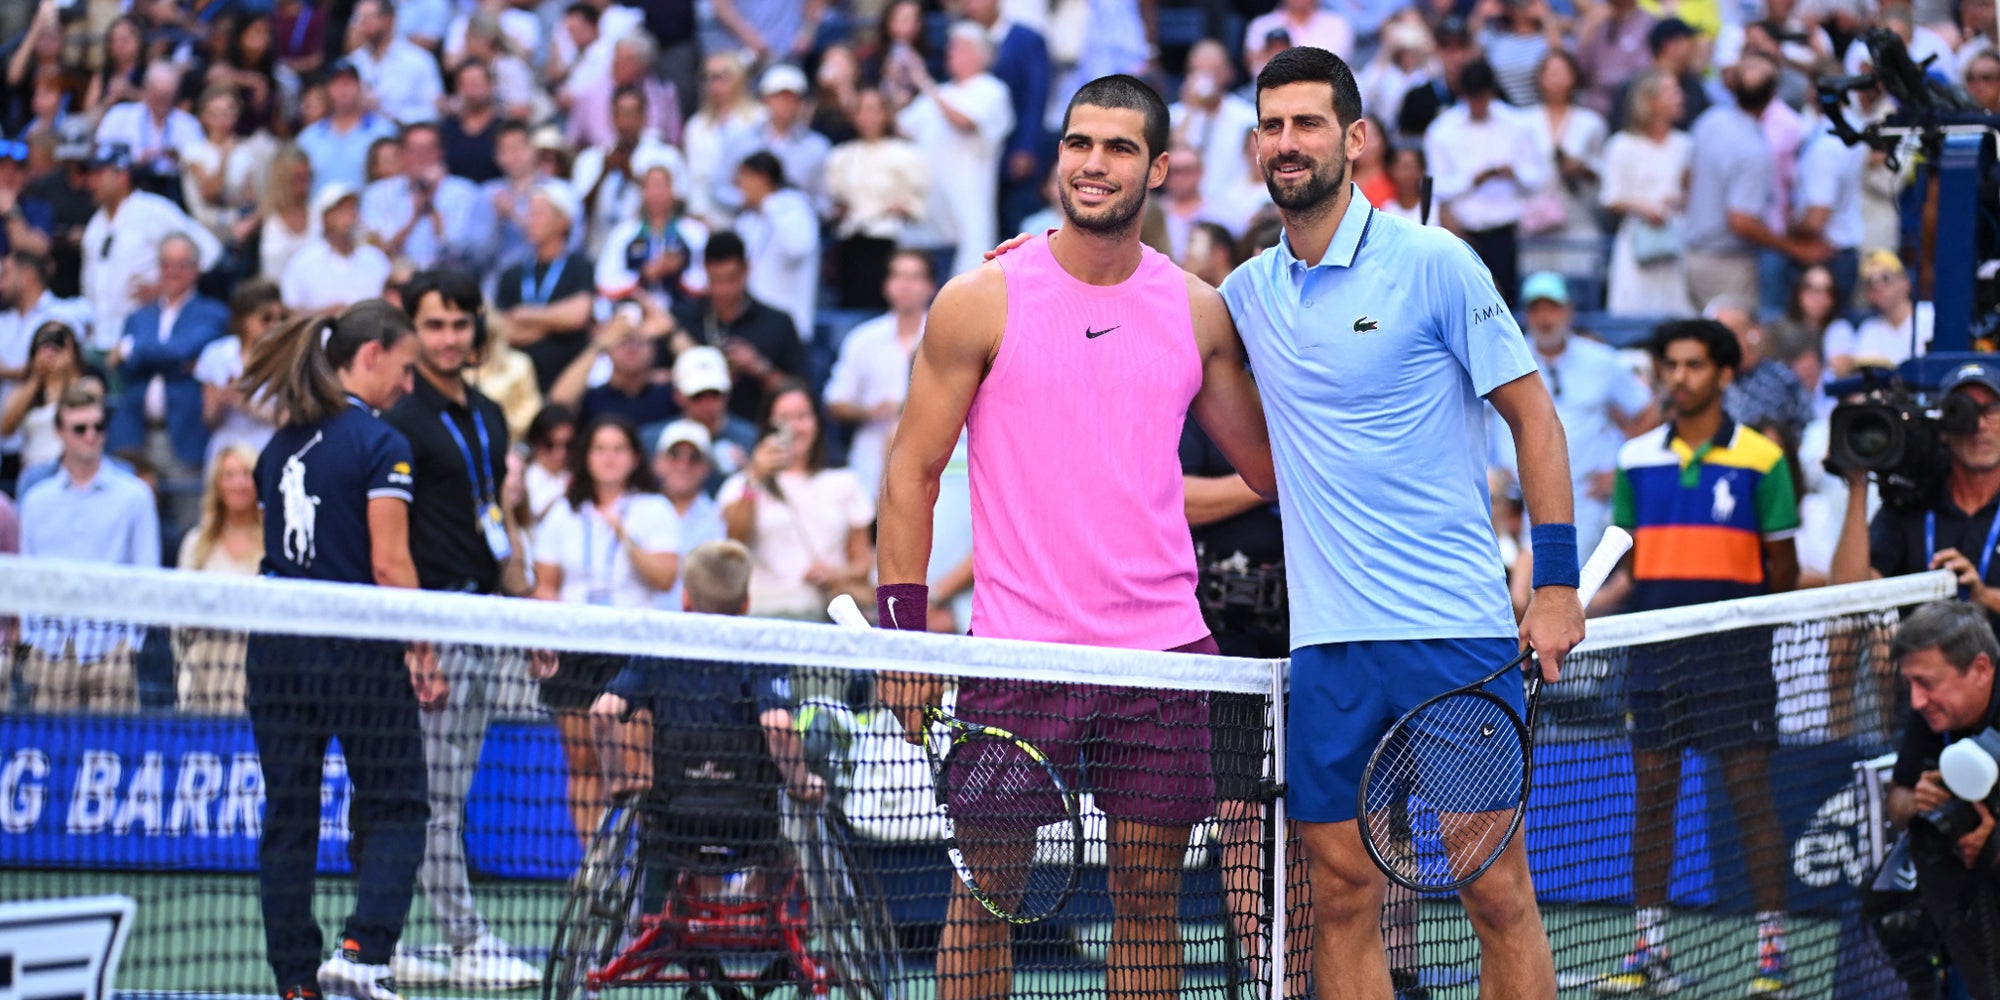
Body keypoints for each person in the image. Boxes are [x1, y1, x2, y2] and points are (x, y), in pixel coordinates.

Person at [877, 74, 1276, 1000]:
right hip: (1019, 655)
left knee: (1148, 903)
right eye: (1079, 143)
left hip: (1166, 659)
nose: (1094, 163)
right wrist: (904, 637)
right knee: (985, 898)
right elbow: (910, 471)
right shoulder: (980, 297)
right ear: (1059, 153)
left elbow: (1267, 467)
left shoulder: (1198, 308)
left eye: (1120, 147)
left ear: (1161, 169)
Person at [1212, 46, 1581, 998]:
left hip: (1453, 635)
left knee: (1494, 889)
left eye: (1308, 123)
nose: (1288, 143)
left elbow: (1534, 417)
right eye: (1273, 126)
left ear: (1355, 137)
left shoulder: (1434, 261)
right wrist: (1039, 256)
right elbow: (1133, 293)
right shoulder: (1247, 293)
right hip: (1328, 650)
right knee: (1337, 896)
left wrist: (1557, 584)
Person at [234, 300, 436, 1000]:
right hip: (354, 650)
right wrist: (424, 647)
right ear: (372, 355)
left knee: (287, 816)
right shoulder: (382, 446)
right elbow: (388, 564)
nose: (410, 383)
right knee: (398, 805)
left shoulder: (278, 444)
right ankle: (362, 950)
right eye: (406, 367)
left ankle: (296, 982)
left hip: (275, 649)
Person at [1594, 319, 1800, 997]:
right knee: (1653, 795)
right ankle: (1649, 948)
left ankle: (1772, 951)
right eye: (1670, 365)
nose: (1678, 377)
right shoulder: (1635, 459)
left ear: (1724, 373)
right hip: (1653, 652)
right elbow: (1629, 561)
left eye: (1693, 365)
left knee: (1748, 794)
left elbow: (1783, 567)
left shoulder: (1763, 461)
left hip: (1734, 653)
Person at [378, 268, 539, 988]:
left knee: (444, 796)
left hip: (481, 621)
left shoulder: (489, 414)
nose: (448, 338)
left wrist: (525, 612)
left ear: (478, 328)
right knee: (432, 800)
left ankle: (375, 941)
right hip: (430, 626)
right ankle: (465, 938)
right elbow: (392, 543)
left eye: (459, 324)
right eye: (434, 324)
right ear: (412, 330)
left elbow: (495, 516)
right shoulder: (398, 422)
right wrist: (415, 643)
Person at [586, 539, 825, 895]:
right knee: (815, 752)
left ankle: (703, 906)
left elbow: (603, 713)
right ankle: (755, 899)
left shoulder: (659, 649)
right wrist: (802, 782)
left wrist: (618, 779)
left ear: (685, 599)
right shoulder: (763, 651)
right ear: (745, 603)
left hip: (673, 818)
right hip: (753, 820)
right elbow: (777, 726)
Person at [533, 415, 682, 839]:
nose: (609, 458)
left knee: (636, 771)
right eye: (600, 448)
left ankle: (635, 871)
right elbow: (546, 586)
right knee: (583, 764)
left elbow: (665, 577)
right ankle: (593, 871)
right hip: (576, 648)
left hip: (632, 648)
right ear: (586, 456)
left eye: (618, 448)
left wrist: (624, 535)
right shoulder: (563, 512)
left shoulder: (653, 509)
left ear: (635, 457)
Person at [1497, 273, 1655, 606]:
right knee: (1518, 599)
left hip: (1580, 497)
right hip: (1512, 499)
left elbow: (1649, 413)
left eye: (1552, 307)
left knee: (1571, 598)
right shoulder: (1506, 355)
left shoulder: (1601, 361)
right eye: (1536, 309)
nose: (1544, 317)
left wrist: (1619, 474)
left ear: (1568, 310)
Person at [16, 382, 157, 712]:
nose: (91, 435)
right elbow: (27, 572)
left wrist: (129, 642)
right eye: (80, 428)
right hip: (51, 648)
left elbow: (147, 575)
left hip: (112, 648)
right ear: (60, 433)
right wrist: (34, 637)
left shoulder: (135, 496)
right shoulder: (36, 501)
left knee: (115, 754)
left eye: (98, 426)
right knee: (51, 752)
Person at [1883, 601, 2000, 998]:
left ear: (1981, 669)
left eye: (1927, 683)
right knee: (1923, 852)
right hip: (1972, 884)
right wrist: (1919, 799)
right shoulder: (1932, 713)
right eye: (1911, 684)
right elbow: (1897, 803)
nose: (1917, 700)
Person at [1833, 361, 2000, 631]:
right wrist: (1858, 483)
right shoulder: (1911, 503)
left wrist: (1982, 595)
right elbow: (1846, 597)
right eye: (1962, 410)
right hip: (1921, 666)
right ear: (1943, 427)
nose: (1979, 424)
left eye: (1992, 409)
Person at [720, 380, 873, 620]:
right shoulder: (740, 485)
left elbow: (863, 563)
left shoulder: (844, 482)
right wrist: (754, 479)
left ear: (816, 423)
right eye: (783, 419)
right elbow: (735, 540)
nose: (794, 428)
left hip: (825, 613)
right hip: (763, 611)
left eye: (802, 416)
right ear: (768, 426)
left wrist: (836, 574)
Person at [107, 233, 232, 493]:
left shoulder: (213, 313)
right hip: (135, 433)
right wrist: (171, 360)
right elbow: (125, 368)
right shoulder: (139, 317)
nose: (173, 272)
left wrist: (132, 349)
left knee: (187, 512)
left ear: (196, 269)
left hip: (186, 433)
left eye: (181, 264)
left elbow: (182, 350)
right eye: (166, 264)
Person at [1423, 58, 1546, 308]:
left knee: (1504, 308)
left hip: (1505, 232)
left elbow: (1538, 178)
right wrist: (1471, 180)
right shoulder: (1441, 130)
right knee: (1461, 307)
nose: (1478, 105)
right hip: (1460, 232)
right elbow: (1436, 186)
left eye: (1482, 97)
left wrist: (1515, 172)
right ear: (1463, 94)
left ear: (1492, 92)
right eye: (1472, 98)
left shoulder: (1518, 124)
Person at [896, 24, 1014, 280]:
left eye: (958, 47)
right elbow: (899, 128)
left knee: (966, 279)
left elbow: (964, 122)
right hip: (928, 210)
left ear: (979, 55)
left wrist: (924, 82)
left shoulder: (992, 90)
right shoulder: (940, 92)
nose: (950, 52)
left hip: (967, 207)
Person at [79, 143, 222, 354]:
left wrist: (167, 288)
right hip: (99, 340)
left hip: (142, 340)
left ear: (122, 176)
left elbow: (209, 251)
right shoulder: (94, 227)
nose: (91, 182)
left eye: (99, 174)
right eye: (91, 175)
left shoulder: (154, 210)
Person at [825, 250, 933, 497]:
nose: (905, 285)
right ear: (886, 285)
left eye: (915, 277)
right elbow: (834, 402)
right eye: (898, 276)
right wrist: (871, 411)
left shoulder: (946, 337)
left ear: (930, 286)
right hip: (869, 464)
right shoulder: (862, 339)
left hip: (933, 464)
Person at [669, 232, 806, 424]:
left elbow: (801, 394)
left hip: (758, 428)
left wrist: (760, 369)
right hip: (691, 437)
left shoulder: (777, 323)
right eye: (715, 280)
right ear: (704, 271)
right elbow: (657, 381)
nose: (723, 289)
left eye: (731, 279)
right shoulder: (683, 318)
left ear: (746, 270)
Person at [173, 444, 262, 714]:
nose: (239, 484)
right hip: (204, 666)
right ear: (217, 484)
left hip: (257, 667)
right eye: (229, 475)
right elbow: (179, 613)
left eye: (246, 473)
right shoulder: (195, 543)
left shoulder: (275, 542)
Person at [825, 88, 929, 312]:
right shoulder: (842, 156)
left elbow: (916, 204)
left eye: (874, 110)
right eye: (862, 110)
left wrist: (901, 208)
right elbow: (835, 200)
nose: (868, 117)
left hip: (887, 242)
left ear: (885, 114)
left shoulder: (905, 154)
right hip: (851, 243)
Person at [1600, 69, 1693, 316]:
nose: (1680, 97)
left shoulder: (1686, 144)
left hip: (1676, 237)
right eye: (1671, 91)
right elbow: (1610, 197)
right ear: (1649, 100)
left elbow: (1692, 192)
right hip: (1636, 242)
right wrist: (1644, 207)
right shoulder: (1622, 145)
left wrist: (1677, 199)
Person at [493, 184, 597, 392]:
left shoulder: (580, 266)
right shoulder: (511, 274)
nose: (530, 220)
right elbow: (501, 329)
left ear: (562, 221)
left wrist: (524, 315)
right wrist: (555, 323)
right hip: (518, 384)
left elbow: (578, 315)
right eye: (529, 213)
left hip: (569, 379)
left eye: (539, 214)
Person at [594, 147, 708, 313]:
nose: (656, 193)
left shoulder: (695, 233)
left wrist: (679, 273)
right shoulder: (624, 233)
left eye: (661, 185)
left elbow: (708, 281)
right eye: (650, 186)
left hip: (685, 311)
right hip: (635, 310)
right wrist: (643, 275)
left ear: (673, 190)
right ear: (642, 191)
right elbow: (605, 282)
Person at [731, 151, 819, 340]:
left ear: (762, 178)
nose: (739, 185)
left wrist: (770, 204)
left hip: (791, 325)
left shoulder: (795, 208)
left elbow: (797, 248)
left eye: (744, 177)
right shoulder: (747, 220)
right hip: (752, 324)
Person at [196, 281, 284, 467]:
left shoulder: (288, 357)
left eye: (280, 318)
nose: (275, 325)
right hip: (225, 448)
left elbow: (290, 419)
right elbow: (209, 420)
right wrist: (221, 400)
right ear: (244, 319)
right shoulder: (216, 353)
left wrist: (247, 404)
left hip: (268, 447)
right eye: (266, 318)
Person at [651, 419, 728, 610]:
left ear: (707, 467)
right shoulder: (636, 512)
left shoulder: (719, 518)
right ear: (657, 462)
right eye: (674, 455)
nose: (683, 465)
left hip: (697, 626)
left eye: (694, 458)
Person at [294, 60, 399, 195]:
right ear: (327, 89)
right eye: (337, 83)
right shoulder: (308, 137)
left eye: (349, 83)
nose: (343, 89)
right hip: (320, 213)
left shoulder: (385, 131)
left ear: (360, 87)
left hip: (370, 212)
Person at [283, 184, 394, 312]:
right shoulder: (302, 261)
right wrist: (324, 314)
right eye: (340, 210)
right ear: (325, 218)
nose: (348, 217)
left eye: (352, 209)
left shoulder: (375, 259)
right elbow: (289, 311)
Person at [1824, 249, 1933, 378]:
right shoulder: (1869, 329)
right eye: (1870, 283)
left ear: (1905, 282)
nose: (1878, 286)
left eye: (1885, 278)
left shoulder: (1932, 316)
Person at [670, 345, 757, 493]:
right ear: (678, 396)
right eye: (697, 396)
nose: (708, 404)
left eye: (715, 394)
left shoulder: (751, 438)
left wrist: (750, 473)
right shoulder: (654, 440)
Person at [347, 0, 446, 125]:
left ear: (389, 20)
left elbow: (434, 110)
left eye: (369, 17)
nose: (363, 24)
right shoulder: (353, 62)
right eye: (360, 18)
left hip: (404, 135)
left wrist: (394, 115)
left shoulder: (419, 61)